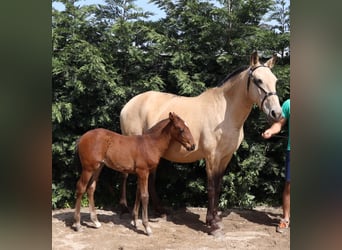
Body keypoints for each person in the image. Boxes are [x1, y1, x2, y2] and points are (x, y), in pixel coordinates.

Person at [262, 99, 290, 233]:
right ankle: (285, 219)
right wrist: (271, 131)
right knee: (289, 185)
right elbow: (279, 124)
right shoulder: (289, 104)